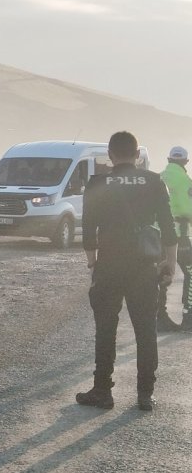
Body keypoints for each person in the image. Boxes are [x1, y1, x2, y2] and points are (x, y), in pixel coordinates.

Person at [76, 131, 177, 412]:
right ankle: (145, 394)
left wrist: (92, 261)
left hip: (109, 264)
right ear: (137, 155)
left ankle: (102, 391)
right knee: (145, 331)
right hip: (144, 266)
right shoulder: (153, 181)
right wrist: (169, 263)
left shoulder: (98, 182)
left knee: (105, 330)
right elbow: (168, 228)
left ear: (110, 155)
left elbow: (88, 229)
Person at [159, 145, 192, 331]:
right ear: (186, 162)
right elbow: (188, 209)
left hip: (157, 235)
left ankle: (160, 317)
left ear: (169, 159)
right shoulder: (185, 181)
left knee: (162, 273)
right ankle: (189, 316)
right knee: (191, 272)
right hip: (179, 235)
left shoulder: (159, 177)